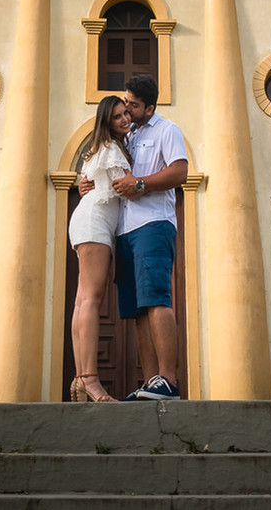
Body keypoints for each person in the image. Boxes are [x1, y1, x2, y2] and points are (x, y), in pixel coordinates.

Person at [81, 72, 188, 399]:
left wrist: (140, 184)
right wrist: (86, 184)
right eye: (125, 104)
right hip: (125, 231)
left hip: (153, 224)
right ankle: (151, 380)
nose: (127, 110)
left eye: (133, 105)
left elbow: (180, 171)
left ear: (150, 106)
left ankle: (168, 379)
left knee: (156, 298)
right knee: (137, 308)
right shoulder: (125, 136)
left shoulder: (167, 130)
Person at [67, 94, 133, 402]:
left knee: (83, 302)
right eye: (118, 116)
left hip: (86, 220)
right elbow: (126, 186)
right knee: (91, 300)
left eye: (125, 114)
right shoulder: (111, 149)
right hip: (95, 222)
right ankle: (91, 380)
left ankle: (81, 379)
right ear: (107, 120)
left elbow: (85, 182)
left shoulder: (97, 149)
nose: (125, 119)